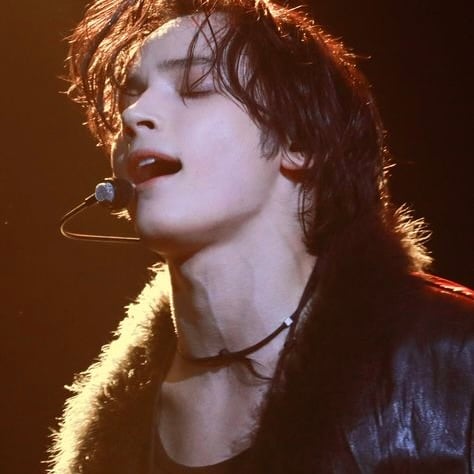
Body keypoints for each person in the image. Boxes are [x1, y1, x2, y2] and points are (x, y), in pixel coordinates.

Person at [47, 0, 474, 472]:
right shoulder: (113, 437)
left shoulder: (454, 356)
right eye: (130, 96)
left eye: (195, 87)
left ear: (299, 142)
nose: (135, 114)